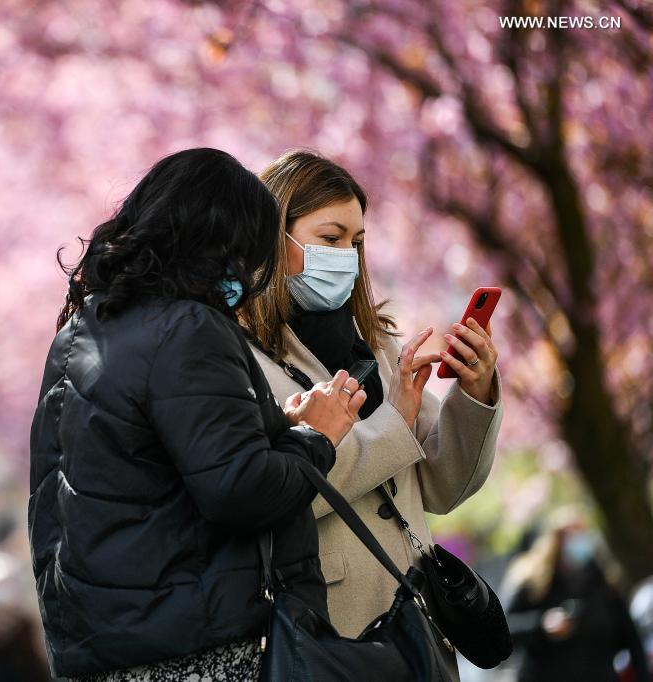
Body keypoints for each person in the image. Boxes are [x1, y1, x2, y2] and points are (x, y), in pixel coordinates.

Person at [28, 148, 368, 680]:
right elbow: (240, 489)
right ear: (220, 239)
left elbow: (151, 464)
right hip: (193, 648)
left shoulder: (80, 333)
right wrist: (316, 436)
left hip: (98, 648)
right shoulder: (190, 328)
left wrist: (272, 423)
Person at [239, 149, 503, 677]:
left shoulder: (375, 343)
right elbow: (274, 492)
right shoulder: (238, 356)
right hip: (334, 632)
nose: (345, 256)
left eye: (356, 242)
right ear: (273, 237)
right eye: (329, 238)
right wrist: (393, 426)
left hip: (417, 618)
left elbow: (445, 487)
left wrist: (475, 394)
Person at [503, 509, 651, 682]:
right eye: (573, 534)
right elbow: (506, 628)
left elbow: (631, 640)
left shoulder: (606, 585)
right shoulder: (534, 583)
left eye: (583, 533)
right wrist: (542, 625)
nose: (580, 540)